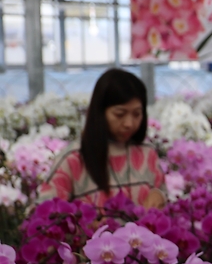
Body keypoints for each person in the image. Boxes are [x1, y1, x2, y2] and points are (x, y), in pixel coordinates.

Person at [37, 68, 165, 208]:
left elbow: (164, 202)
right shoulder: (74, 158)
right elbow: (45, 213)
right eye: (120, 114)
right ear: (100, 112)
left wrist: (159, 195)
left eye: (137, 114)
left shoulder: (148, 155)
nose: (129, 124)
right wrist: (83, 225)